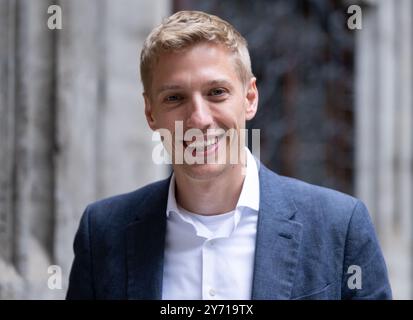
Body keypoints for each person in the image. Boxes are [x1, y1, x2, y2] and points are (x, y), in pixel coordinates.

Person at [66, 10, 392, 300]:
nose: (199, 119)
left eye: (216, 93)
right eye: (175, 97)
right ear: (151, 113)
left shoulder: (340, 226)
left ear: (249, 98)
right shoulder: (103, 233)